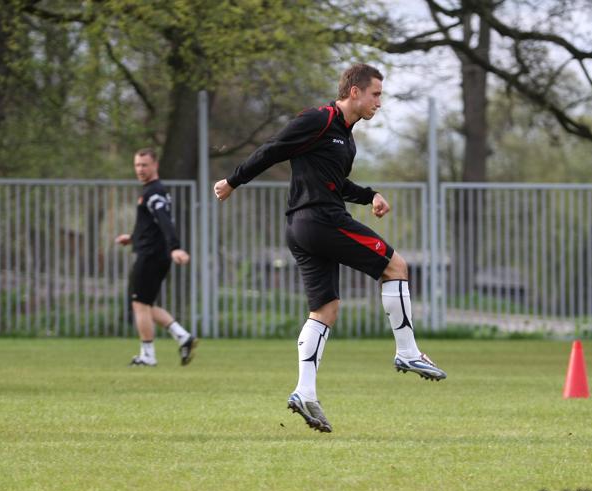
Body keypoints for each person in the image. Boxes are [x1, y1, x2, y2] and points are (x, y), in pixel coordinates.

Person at [213, 64, 446, 433]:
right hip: (320, 221)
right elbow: (273, 149)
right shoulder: (319, 119)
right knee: (396, 266)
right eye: (375, 94)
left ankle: (304, 392)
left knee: (325, 310)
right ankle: (407, 352)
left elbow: (336, 183)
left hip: (303, 227)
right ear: (354, 92)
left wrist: (370, 195)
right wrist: (233, 181)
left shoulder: (346, 138)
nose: (379, 102)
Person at [115, 148, 197, 367]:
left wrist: (175, 247)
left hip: (151, 256)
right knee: (146, 304)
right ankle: (183, 337)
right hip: (154, 253)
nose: (140, 169)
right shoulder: (153, 191)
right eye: (137, 165)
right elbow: (151, 226)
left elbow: (164, 220)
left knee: (139, 305)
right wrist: (132, 238)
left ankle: (148, 356)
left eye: (145, 165)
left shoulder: (154, 192)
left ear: (155, 165)